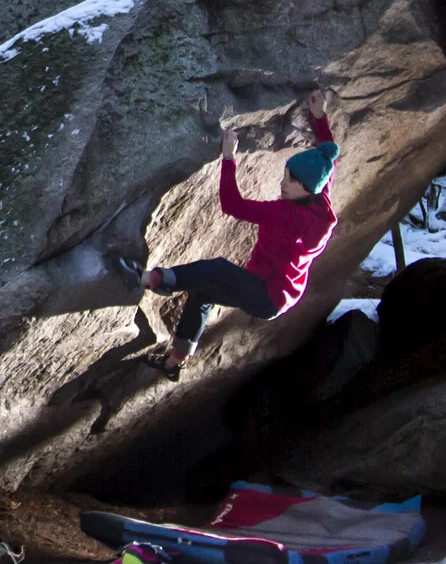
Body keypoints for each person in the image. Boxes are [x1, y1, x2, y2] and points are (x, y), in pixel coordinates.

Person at [142, 91, 340, 378]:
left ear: (306, 189)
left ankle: (158, 279)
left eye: (291, 182)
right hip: (277, 290)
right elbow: (328, 156)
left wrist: (228, 158)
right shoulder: (320, 198)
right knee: (202, 294)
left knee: (218, 269)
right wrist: (319, 116)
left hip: (266, 295)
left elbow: (232, 205)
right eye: (286, 175)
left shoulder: (285, 214)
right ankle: (176, 362)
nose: (282, 183)